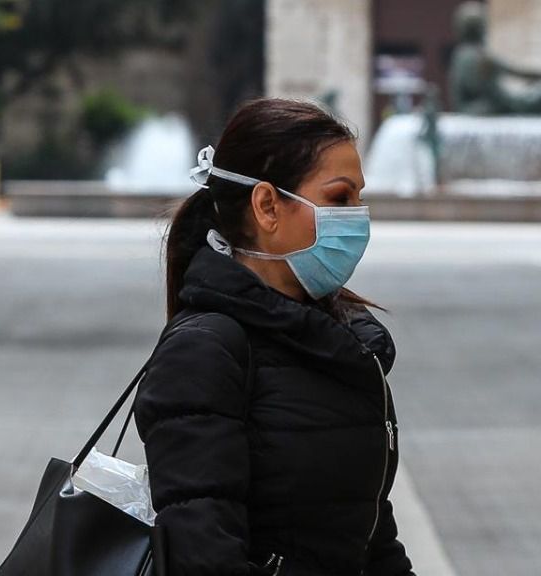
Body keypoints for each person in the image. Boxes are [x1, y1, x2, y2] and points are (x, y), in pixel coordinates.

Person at [133, 98, 415, 576]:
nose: (359, 218)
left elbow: (364, 529)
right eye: (340, 198)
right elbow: (203, 556)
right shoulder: (205, 350)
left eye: (360, 199)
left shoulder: (340, 344)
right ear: (267, 206)